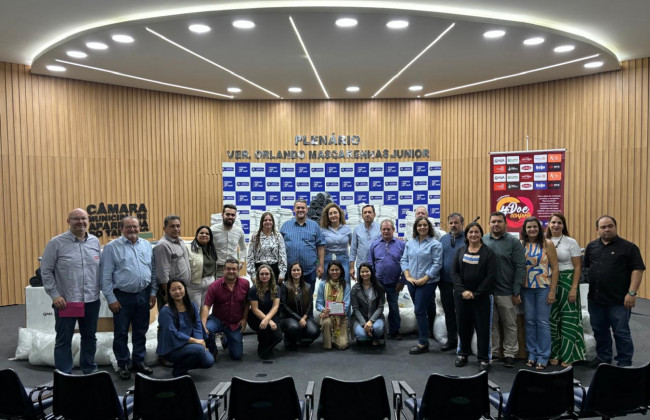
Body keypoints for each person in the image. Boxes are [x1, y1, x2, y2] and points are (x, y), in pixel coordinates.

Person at [41, 208, 101, 374]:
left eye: (83, 218)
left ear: (88, 221)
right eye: (76, 219)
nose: (80, 222)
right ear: (68, 221)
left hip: (91, 300)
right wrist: (55, 295)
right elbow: (46, 271)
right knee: (64, 339)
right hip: (67, 301)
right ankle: (64, 375)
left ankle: (89, 370)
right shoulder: (56, 243)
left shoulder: (95, 241)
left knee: (89, 337)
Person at [583, 215, 645, 367]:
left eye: (610, 226)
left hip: (619, 300)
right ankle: (604, 357)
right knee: (599, 331)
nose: (607, 229)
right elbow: (587, 267)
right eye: (603, 227)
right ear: (597, 230)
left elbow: (637, 270)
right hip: (595, 300)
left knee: (621, 332)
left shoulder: (628, 247)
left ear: (615, 227)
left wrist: (632, 293)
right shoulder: (591, 247)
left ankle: (624, 362)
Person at [100, 216, 156, 380]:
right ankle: (123, 364)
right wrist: (111, 299)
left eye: (135, 226)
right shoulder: (111, 248)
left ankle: (138, 361)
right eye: (128, 227)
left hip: (143, 294)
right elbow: (105, 276)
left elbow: (152, 271)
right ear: (122, 229)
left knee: (141, 331)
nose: (132, 229)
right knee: (121, 332)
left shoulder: (146, 245)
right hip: (122, 297)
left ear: (139, 228)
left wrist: (153, 292)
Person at [483, 211, 526, 368]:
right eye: (493, 221)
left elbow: (520, 267)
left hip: (506, 291)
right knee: (491, 324)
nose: (496, 224)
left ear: (505, 224)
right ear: (489, 223)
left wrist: (516, 290)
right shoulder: (483, 240)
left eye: (499, 221)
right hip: (487, 292)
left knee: (509, 324)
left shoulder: (513, 242)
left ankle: (510, 354)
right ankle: (494, 352)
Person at [452, 222, 497, 372]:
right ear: (466, 235)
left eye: (476, 232)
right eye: (470, 232)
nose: (473, 235)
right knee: (463, 327)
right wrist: (463, 291)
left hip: (482, 298)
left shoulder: (488, 253)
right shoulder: (460, 251)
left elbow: (491, 276)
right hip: (462, 297)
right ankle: (463, 354)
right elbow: (454, 272)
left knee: (483, 329)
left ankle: (484, 358)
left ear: (481, 234)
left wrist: (475, 293)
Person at [546, 213, 586, 367]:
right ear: (549, 224)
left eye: (559, 223)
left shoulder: (571, 242)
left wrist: (574, 288)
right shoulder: (544, 240)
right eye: (553, 222)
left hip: (568, 281)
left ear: (563, 225)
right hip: (548, 282)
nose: (556, 225)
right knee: (552, 318)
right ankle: (555, 353)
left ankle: (568, 355)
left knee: (568, 319)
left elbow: (578, 267)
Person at [520, 217, 559, 370]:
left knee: (542, 322)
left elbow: (555, 268)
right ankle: (532, 354)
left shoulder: (547, 243)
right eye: (529, 227)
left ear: (539, 228)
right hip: (526, 288)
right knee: (529, 321)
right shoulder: (521, 244)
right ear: (525, 229)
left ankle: (543, 356)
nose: (532, 229)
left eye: (534, 227)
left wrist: (552, 291)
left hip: (544, 288)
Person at [401, 216, 443, 354]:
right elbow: (404, 260)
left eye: (425, 225)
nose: (422, 227)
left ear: (429, 227)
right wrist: (407, 276)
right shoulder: (410, 243)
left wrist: (426, 278)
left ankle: (423, 342)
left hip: (428, 282)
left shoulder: (435, 244)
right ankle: (428, 331)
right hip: (412, 281)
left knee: (419, 310)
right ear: (416, 228)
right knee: (425, 307)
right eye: (419, 225)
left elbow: (437, 264)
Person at [156, 279, 214, 377]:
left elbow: (197, 326)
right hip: (172, 348)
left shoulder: (192, 306)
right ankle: (178, 371)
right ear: (169, 292)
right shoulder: (165, 311)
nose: (177, 292)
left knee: (209, 361)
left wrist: (200, 341)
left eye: (180, 288)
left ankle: (181, 366)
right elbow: (173, 333)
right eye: (173, 290)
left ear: (185, 289)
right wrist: (196, 342)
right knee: (199, 350)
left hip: (189, 344)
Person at [201, 258, 250, 360]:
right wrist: (203, 325)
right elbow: (206, 306)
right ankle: (213, 349)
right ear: (223, 270)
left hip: (235, 323)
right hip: (218, 319)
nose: (231, 271)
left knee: (236, 356)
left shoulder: (245, 284)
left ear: (238, 270)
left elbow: (247, 303)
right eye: (228, 269)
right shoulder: (214, 285)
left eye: (234, 269)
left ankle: (226, 339)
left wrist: (245, 319)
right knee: (207, 329)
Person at [368, 219, 405, 340]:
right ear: (380, 230)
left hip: (395, 283)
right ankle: (376, 331)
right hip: (378, 282)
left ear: (393, 230)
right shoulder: (374, 244)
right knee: (376, 307)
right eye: (384, 229)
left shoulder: (401, 245)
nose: (386, 231)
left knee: (394, 307)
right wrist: (372, 281)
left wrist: (402, 281)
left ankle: (394, 331)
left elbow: (406, 264)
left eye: (388, 229)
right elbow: (370, 263)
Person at [280, 199, 325, 289]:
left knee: (309, 296)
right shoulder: (285, 226)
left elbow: (320, 246)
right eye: (298, 208)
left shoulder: (314, 226)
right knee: (289, 296)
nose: (300, 210)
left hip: (309, 271)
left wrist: (321, 265)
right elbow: (279, 247)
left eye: (303, 208)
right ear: (294, 209)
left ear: (307, 209)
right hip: (290, 271)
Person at [437, 212, 464, 351]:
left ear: (462, 224)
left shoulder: (468, 238)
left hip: (462, 282)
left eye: (456, 223)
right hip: (445, 282)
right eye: (451, 223)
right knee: (448, 312)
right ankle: (452, 340)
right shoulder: (443, 239)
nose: (453, 225)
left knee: (462, 312)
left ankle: (464, 342)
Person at [153, 215, 190, 311]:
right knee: (170, 318)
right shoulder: (163, 246)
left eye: (178, 226)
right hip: (171, 292)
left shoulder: (180, 241)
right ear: (164, 228)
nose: (176, 229)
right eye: (172, 226)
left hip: (181, 291)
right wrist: (168, 294)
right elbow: (162, 274)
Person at [280, 262, 320, 349]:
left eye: (298, 270)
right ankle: (289, 340)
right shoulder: (284, 286)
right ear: (290, 272)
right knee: (294, 327)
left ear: (301, 271)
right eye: (294, 270)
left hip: (304, 317)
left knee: (315, 331)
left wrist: (304, 318)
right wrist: (299, 319)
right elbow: (283, 305)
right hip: (288, 317)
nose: (296, 272)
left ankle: (300, 341)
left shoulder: (307, 286)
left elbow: (310, 304)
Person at [247, 264, 284, 358]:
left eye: (267, 274)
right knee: (265, 329)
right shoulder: (253, 289)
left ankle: (267, 347)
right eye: (262, 274)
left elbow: (275, 306)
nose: (264, 276)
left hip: (271, 314)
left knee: (278, 336)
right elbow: (255, 309)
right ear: (258, 275)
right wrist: (267, 321)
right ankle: (262, 347)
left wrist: (268, 320)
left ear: (271, 275)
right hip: (256, 317)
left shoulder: (276, 288)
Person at [316, 260, 351, 350]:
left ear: (341, 271)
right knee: (327, 322)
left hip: (341, 317)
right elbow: (318, 303)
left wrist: (337, 311)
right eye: (332, 270)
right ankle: (328, 343)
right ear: (328, 271)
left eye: (337, 270)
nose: (334, 272)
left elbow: (346, 306)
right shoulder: (322, 285)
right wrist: (323, 310)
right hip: (327, 316)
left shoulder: (346, 286)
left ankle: (336, 338)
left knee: (342, 346)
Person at [246, 212, 287, 284]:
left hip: (274, 270)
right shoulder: (255, 236)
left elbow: (282, 255)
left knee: (275, 291)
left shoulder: (278, 236)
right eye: (265, 220)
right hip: (259, 270)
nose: (268, 222)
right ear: (262, 222)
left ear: (273, 222)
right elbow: (250, 256)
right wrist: (252, 274)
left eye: (270, 220)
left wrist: (282, 273)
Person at [351, 263, 386, 346]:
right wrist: (364, 324)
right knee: (361, 336)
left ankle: (376, 336)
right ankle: (370, 335)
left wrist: (371, 321)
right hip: (360, 319)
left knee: (377, 328)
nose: (365, 274)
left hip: (376, 318)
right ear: (359, 273)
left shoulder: (379, 287)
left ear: (371, 272)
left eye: (367, 271)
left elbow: (380, 307)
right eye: (362, 272)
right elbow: (355, 309)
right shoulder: (355, 288)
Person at [211, 204, 247, 278]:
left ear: (235, 216)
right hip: (218, 268)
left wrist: (242, 261)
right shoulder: (213, 230)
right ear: (222, 215)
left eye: (232, 215)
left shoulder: (239, 231)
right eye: (227, 214)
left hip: (233, 268)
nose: (230, 217)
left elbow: (243, 248)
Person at [186, 225, 218, 309]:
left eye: (207, 234)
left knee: (205, 308)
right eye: (201, 233)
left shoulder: (211, 249)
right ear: (196, 235)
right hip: (194, 284)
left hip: (209, 284)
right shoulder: (188, 248)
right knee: (195, 309)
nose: (204, 235)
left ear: (210, 237)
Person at [320, 203, 352, 283]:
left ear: (340, 214)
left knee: (345, 283)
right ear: (327, 216)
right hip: (327, 260)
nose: (333, 215)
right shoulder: (323, 230)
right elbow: (320, 248)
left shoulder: (347, 229)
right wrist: (320, 265)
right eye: (330, 214)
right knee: (327, 284)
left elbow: (353, 246)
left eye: (335, 213)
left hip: (343, 259)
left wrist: (352, 265)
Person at [349, 204, 381, 281]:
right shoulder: (357, 229)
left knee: (377, 287)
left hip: (376, 266)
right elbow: (353, 250)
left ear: (374, 214)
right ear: (362, 216)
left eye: (369, 212)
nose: (367, 214)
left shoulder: (380, 228)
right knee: (361, 287)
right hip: (361, 266)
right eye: (365, 212)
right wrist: (351, 267)